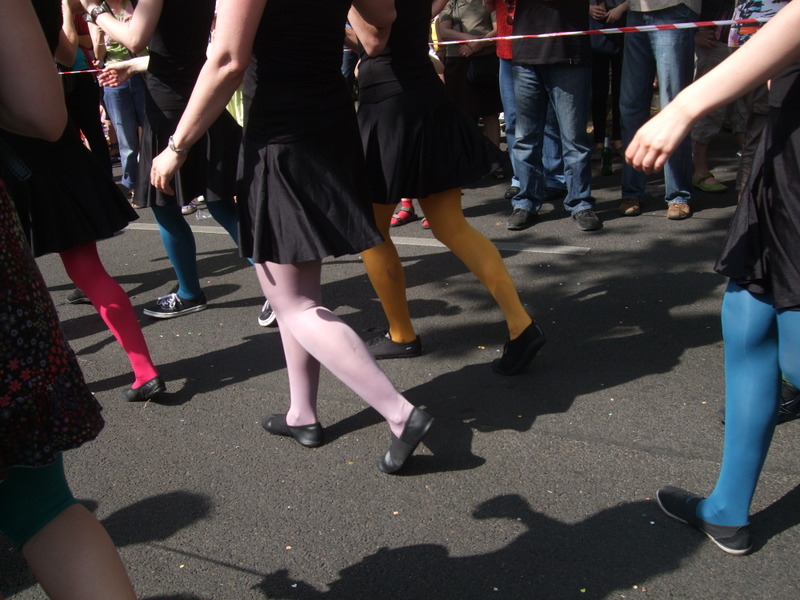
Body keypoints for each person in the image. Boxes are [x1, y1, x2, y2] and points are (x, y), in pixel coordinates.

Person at [149, 0, 433, 474]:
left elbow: (228, 60)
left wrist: (177, 146)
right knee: (297, 297)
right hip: (330, 122)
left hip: (282, 136)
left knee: (294, 304)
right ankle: (302, 414)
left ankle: (401, 415)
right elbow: (383, 17)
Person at [626, 0, 800, 555]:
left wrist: (681, 107)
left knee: (793, 350)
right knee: (749, 310)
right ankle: (726, 509)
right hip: (786, 149)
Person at [0, 3, 137, 598]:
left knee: (89, 271)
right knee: (41, 504)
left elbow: (71, 55)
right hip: (46, 168)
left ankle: (145, 368)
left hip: (49, 173)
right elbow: (43, 100)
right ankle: (144, 368)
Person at [352, 0, 546, 376]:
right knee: (451, 225)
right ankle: (521, 325)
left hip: (389, 104)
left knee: (372, 233)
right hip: (426, 95)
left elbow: (373, 41)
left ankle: (401, 334)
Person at [1, 0, 164, 403]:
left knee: (19, 286)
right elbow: (65, 52)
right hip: (58, 154)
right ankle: (145, 371)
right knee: (88, 270)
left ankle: (38, 383)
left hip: (16, 157)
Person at [81, 0, 249, 320]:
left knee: (167, 207)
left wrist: (94, 9)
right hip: (200, 96)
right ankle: (282, 289)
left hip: (170, 106)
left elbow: (135, 38)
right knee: (220, 203)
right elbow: (179, 47)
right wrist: (135, 66)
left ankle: (190, 293)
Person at [506, 0, 602, 232]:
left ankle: (580, 203)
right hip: (526, 55)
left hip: (569, 54)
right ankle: (525, 202)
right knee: (525, 139)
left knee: (574, 138)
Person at [617, 0, 698, 219]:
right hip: (636, 11)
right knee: (631, 106)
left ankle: (678, 195)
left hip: (674, 8)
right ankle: (632, 192)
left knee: (675, 106)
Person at [438, 0, 505, 176]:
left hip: (486, 61)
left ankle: (495, 160)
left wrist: (478, 44)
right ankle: (469, 161)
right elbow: (444, 31)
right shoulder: (449, 1)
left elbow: (498, 29)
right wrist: (470, 40)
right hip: (457, 62)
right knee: (461, 114)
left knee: (490, 112)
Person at [92, 0, 148, 206]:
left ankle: (155, 182)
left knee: (151, 130)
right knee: (126, 138)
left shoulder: (137, 4)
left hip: (142, 72)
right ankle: (133, 185)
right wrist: (99, 36)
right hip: (115, 79)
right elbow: (98, 55)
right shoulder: (97, 13)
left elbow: (144, 41)